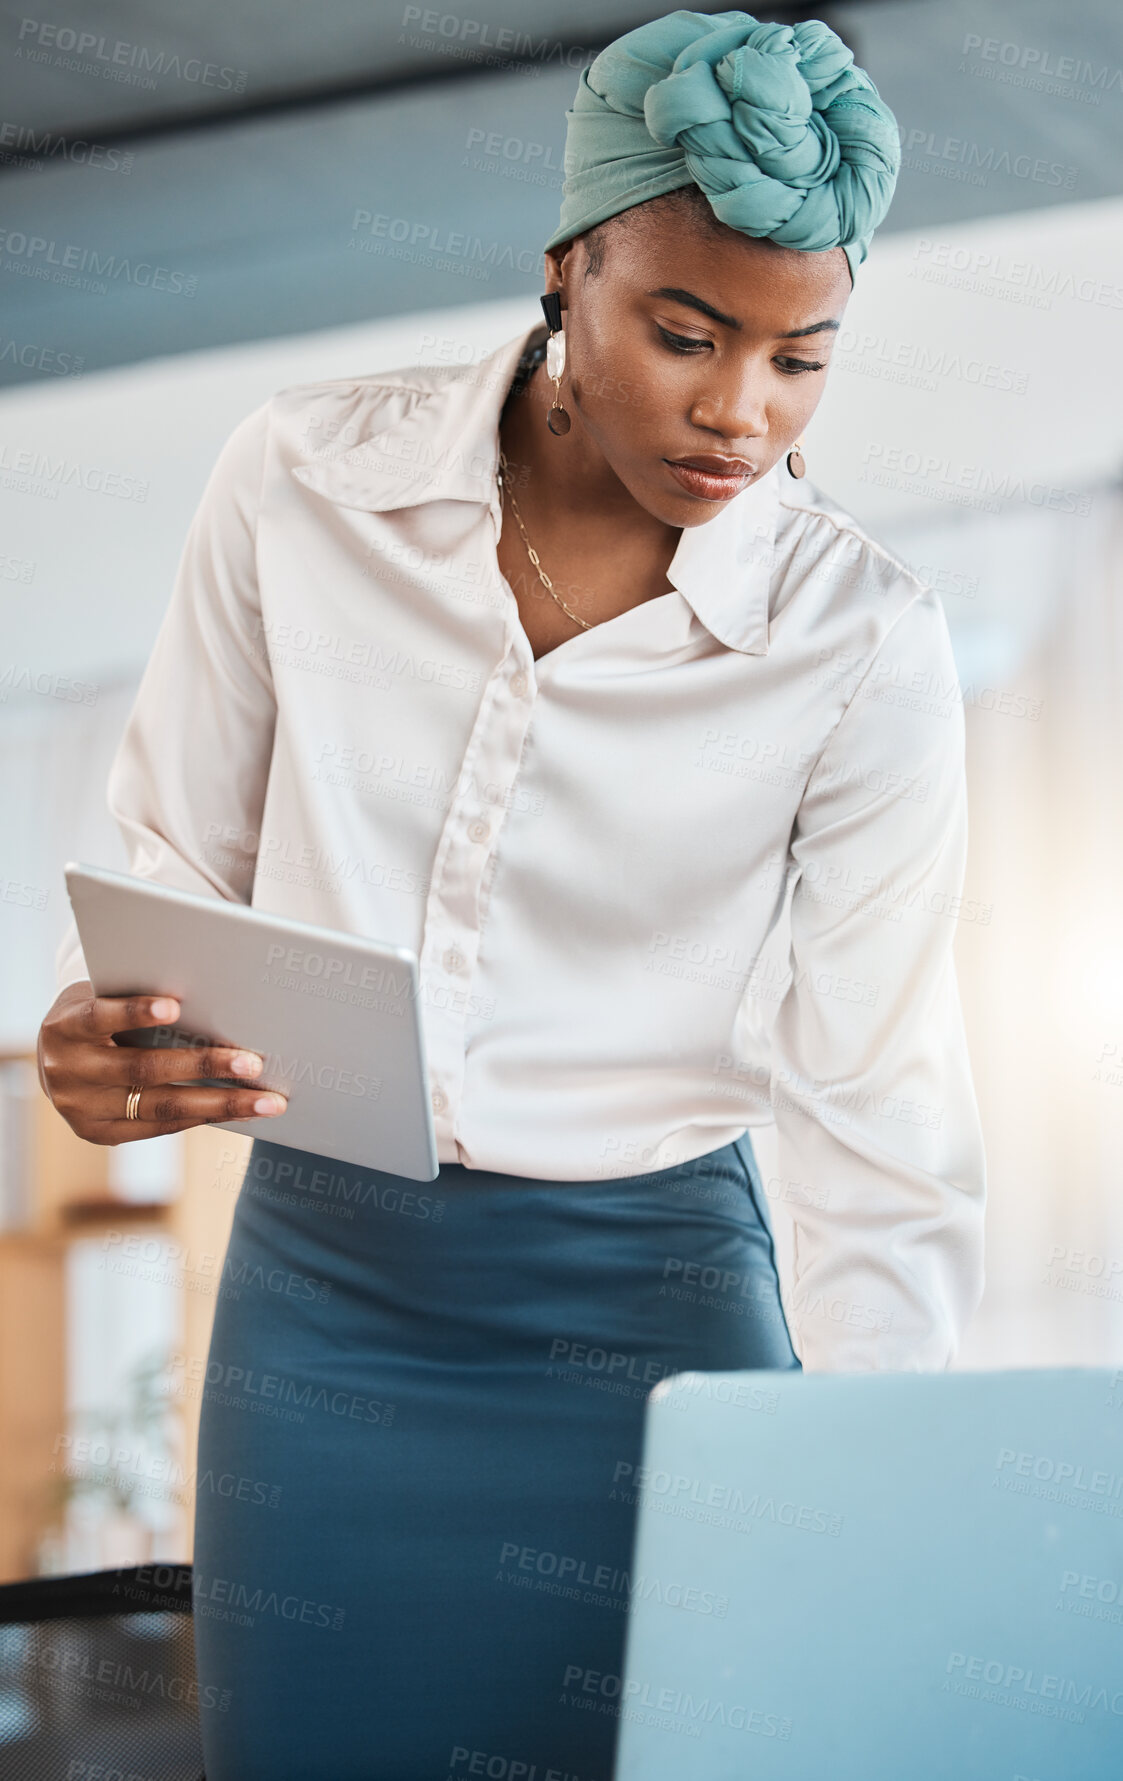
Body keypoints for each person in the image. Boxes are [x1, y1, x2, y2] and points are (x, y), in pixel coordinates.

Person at [37, 11, 986, 1776]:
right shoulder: (301, 479)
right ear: (568, 272)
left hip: (655, 1313)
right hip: (325, 1295)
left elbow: (883, 1096)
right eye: (686, 333)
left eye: (804, 360)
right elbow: (169, 873)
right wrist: (107, 1052)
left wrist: (874, 1492)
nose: (740, 413)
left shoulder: (866, 646)